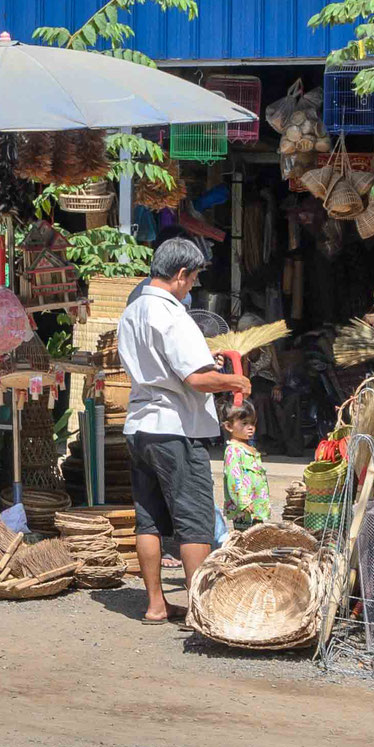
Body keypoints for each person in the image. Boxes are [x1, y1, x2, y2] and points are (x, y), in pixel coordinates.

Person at [115, 238, 250, 623]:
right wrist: (234, 382)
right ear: (180, 275)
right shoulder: (174, 316)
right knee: (195, 520)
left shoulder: (132, 311)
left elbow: (170, 365)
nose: (192, 286)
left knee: (150, 519)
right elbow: (195, 378)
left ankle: (156, 604)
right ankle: (200, 609)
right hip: (175, 427)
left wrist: (212, 365)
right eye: (191, 279)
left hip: (140, 425)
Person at [220, 399, 272, 532]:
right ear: (229, 426)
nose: (251, 427)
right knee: (245, 538)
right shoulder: (233, 450)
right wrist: (243, 501)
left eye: (252, 423)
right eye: (244, 423)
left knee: (256, 537)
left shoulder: (249, 448)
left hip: (256, 506)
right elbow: (234, 477)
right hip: (244, 508)